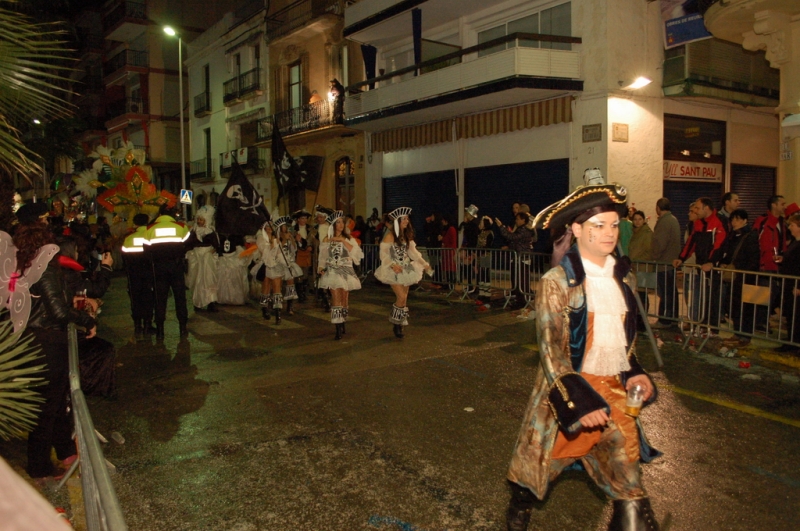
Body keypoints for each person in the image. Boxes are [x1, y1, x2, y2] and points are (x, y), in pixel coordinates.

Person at [506, 182, 660, 531]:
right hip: (567, 395)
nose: (609, 233)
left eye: (613, 225)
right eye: (598, 226)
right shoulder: (557, 282)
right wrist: (578, 397)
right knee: (535, 472)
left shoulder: (625, 278)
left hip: (616, 399)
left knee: (631, 494)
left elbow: (622, 343)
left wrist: (634, 371)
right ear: (576, 230)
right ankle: (520, 505)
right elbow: (550, 350)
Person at [7, 203, 97, 481]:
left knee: (55, 403)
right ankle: (39, 465)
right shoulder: (44, 265)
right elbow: (57, 310)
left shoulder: (17, 261)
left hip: (26, 339)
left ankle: (65, 452)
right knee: (48, 406)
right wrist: (86, 321)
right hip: (46, 341)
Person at [375, 207, 432, 338]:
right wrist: (392, 265)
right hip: (393, 270)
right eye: (404, 219)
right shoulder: (390, 236)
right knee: (401, 297)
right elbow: (383, 254)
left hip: (406, 269)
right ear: (398, 221)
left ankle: (399, 323)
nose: (407, 221)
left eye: (407, 218)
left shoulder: (406, 236)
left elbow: (413, 253)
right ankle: (396, 323)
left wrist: (424, 264)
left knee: (404, 298)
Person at [673, 197, 727, 329]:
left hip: (713, 267)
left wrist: (711, 262)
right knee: (702, 297)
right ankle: (702, 325)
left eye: (697, 208)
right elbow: (691, 242)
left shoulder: (719, 221)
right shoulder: (698, 223)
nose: (695, 211)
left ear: (706, 208)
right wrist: (681, 258)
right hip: (701, 266)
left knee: (712, 298)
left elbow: (720, 244)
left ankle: (712, 328)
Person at [143, 205, 190, 339]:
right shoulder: (181, 226)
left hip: (158, 268)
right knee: (180, 297)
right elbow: (187, 244)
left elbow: (146, 249)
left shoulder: (150, 228)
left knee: (159, 298)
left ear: (159, 214)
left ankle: (160, 330)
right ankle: (182, 327)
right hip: (176, 267)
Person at [318, 211, 363, 340]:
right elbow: (323, 257)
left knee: (344, 297)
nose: (341, 224)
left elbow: (356, 254)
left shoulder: (349, 238)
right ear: (333, 224)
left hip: (346, 270)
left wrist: (342, 240)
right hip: (332, 270)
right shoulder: (327, 239)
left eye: (342, 222)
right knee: (335, 297)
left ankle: (342, 321)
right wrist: (321, 268)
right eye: (338, 222)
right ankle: (337, 326)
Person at [719, 209, 760, 347]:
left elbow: (753, 258)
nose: (733, 222)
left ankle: (745, 335)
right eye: (732, 220)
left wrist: (746, 272)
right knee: (735, 306)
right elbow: (730, 253)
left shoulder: (750, 235)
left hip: (746, 277)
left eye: (736, 219)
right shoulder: (734, 236)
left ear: (744, 220)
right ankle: (738, 332)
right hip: (736, 276)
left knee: (746, 307)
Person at [753, 195, 788, 330]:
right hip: (764, 264)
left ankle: (763, 320)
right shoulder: (763, 221)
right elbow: (755, 242)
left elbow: (783, 243)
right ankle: (759, 321)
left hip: (777, 264)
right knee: (763, 293)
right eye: (782, 204)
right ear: (774, 205)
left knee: (773, 293)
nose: (784, 206)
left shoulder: (782, 223)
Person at [121, 213, 155, 339]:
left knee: (135, 299)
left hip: (133, 274)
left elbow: (124, 257)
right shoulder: (150, 236)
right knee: (148, 298)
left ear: (134, 223)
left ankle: (137, 325)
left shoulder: (129, 238)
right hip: (148, 273)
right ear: (147, 222)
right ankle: (148, 324)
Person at [494, 212, 537, 309]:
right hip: (518, 258)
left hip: (522, 259)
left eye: (518, 219)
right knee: (518, 281)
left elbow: (512, 237)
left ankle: (522, 301)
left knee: (521, 282)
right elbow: (514, 241)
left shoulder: (524, 230)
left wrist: (501, 227)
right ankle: (520, 300)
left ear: (523, 220)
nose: (516, 221)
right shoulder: (521, 230)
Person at [650, 198, 681, 328]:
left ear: (658, 208)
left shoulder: (664, 222)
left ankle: (665, 320)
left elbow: (659, 244)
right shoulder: (673, 220)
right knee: (671, 292)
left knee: (666, 293)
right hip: (671, 262)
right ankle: (672, 318)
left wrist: (654, 256)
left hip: (664, 263)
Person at [185, 206, 221, 312]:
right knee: (197, 281)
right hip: (196, 258)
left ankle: (211, 302)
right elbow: (188, 244)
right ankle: (198, 303)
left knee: (208, 280)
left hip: (207, 259)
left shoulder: (210, 231)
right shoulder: (193, 231)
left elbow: (216, 246)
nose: (199, 221)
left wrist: (209, 254)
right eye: (198, 219)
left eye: (202, 219)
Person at [773, 212, 800, 353]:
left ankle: (795, 343)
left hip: (796, 285)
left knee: (796, 315)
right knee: (790, 314)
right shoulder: (795, 242)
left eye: (793, 225)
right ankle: (791, 340)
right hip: (789, 283)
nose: (790, 228)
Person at [256, 221, 285, 323]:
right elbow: (264, 252)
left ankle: (278, 313)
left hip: (275, 265)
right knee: (266, 288)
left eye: (271, 226)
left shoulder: (276, 239)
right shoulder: (261, 239)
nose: (269, 228)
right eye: (267, 226)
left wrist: (284, 264)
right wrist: (273, 244)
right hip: (265, 265)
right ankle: (264, 309)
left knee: (277, 289)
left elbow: (279, 252)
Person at [629, 210, 653, 329]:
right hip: (636, 268)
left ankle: (642, 322)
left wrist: (636, 260)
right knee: (638, 295)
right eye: (635, 219)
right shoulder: (636, 233)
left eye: (640, 219)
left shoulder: (646, 233)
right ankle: (638, 320)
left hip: (643, 268)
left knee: (642, 295)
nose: (637, 222)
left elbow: (649, 251)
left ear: (644, 220)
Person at [276, 216, 303, 315]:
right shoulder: (276, 238)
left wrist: (293, 239)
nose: (285, 227)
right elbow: (276, 250)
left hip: (288, 262)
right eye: (283, 226)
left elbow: (294, 249)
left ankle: (289, 306)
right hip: (278, 263)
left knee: (290, 283)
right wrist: (283, 240)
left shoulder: (289, 236)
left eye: (285, 226)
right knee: (277, 285)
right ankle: (277, 306)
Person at [292, 209, 313, 303]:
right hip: (297, 253)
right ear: (298, 219)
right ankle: (300, 294)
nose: (304, 220)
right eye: (302, 218)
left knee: (305, 274)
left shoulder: (311, 229)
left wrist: (311, 247)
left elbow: (314, 241)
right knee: (298, 273)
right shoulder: (293, 230)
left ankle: (304, 293)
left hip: (307, 253)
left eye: (305, 218)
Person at [459, 204, 480, 290]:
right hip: (468, 249)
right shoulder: (469, 224)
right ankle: (470, 285)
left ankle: (473, 286)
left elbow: (472, 238)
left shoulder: (473, 225)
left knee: (472, 268)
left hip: (471, 249)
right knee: (467, 268)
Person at [476, 215, 495, 299]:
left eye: (482, 222)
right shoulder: (480, 232)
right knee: (481, 274)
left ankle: (487, 294)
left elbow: (488, 245)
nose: (480, 223)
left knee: (485, 274)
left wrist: (482, 252)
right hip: (480, 255)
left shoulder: (489, 233)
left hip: (486, 255)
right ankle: (481, 292)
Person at [439, 214, 458, 286]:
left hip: (450, 252)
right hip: (446, 252)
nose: (442, 222)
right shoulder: (446, 229)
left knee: (450, 268)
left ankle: (450, 283)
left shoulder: (451, 229)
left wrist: (443, 239)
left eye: (443, 220)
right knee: (447, 268)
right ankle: (447, 282)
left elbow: (452, 241)